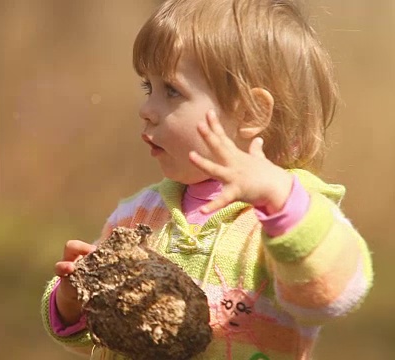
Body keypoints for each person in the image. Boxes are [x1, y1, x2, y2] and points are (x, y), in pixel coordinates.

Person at [41, 0, 373, 358]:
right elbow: (93, 332)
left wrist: (279, 200)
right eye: (147, 88)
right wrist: (71, 302)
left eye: (171, 90)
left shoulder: (292, 211)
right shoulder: (140, 215)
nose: (146, 110)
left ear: (250, 111)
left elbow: (333, 293)